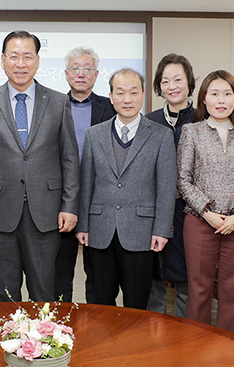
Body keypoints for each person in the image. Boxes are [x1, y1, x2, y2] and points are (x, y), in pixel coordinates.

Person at [0, 30, 80, 302]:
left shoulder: (58, 101)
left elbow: (69, 158)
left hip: (47, 212)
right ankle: (9, 345)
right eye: (14, 56)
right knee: (4, 293)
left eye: (27, 56)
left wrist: (69, 206)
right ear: (3, 60)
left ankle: (42, 344)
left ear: (38, 61)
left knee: (44, 292)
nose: (21, 63)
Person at [76, 68, 176, 309]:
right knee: (99, 303)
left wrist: (162, 230)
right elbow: (86, 183)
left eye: (133, 92)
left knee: (137, 306)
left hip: (141, 233)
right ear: (110, 96)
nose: (127, 99)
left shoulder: (161, 136)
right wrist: (83, 225)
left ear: (143, 95)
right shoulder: (94, 134)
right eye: (120, 93)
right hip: (100, 233)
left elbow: (166, 187)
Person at [177, 70, 234, 336]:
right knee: (199, 289)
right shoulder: (191, 132)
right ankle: (196, 348)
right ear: (204, 99)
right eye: (214, 94)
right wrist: (207, 212)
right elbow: (183, 180)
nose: (221, 100)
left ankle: (230, 353)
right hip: (200, 222)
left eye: (227, 94)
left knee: (233, 291)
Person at [56, 46, 115, 303]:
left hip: (100, 199)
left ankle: (96, 327)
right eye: (75, 69)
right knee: (60, 272)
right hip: (60, 198)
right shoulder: (53, 105)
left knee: (98, 274)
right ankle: (56, 329)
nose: (81, 74)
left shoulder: (111, 107)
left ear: (97, 74)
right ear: (66, 74)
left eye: (87, 69)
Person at [144, 53, 195, 317]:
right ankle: (155, 337)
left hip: (192, 212)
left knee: (189, 278)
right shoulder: (148, 121)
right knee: (154, 277)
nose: (172, 86)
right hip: (153, 211)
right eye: (165, 81)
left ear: (189, 82)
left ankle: (186, 338)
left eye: (178, 79)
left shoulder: (202, 118)